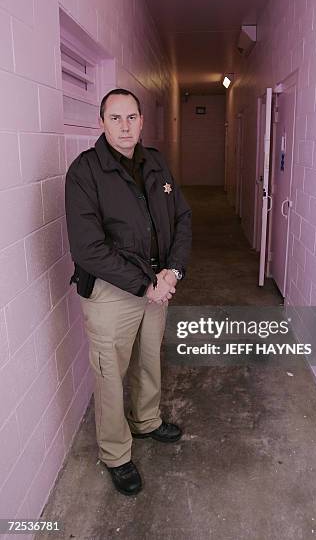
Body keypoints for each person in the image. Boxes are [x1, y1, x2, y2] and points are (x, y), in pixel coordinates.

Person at [65, 88, 192, 496]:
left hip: (158, 284)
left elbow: (182, 217)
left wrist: (172, 270)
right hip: (112, 292)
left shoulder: (154, 161)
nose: (125, 126)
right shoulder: (85, 171)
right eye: (115, 118)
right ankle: (117, 454)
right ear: (101, 123)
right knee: (110, 373)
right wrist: (144, 284)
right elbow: (88, 248)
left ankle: (147, 421)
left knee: (149, 358)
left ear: (141, 120)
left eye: (132, 117)